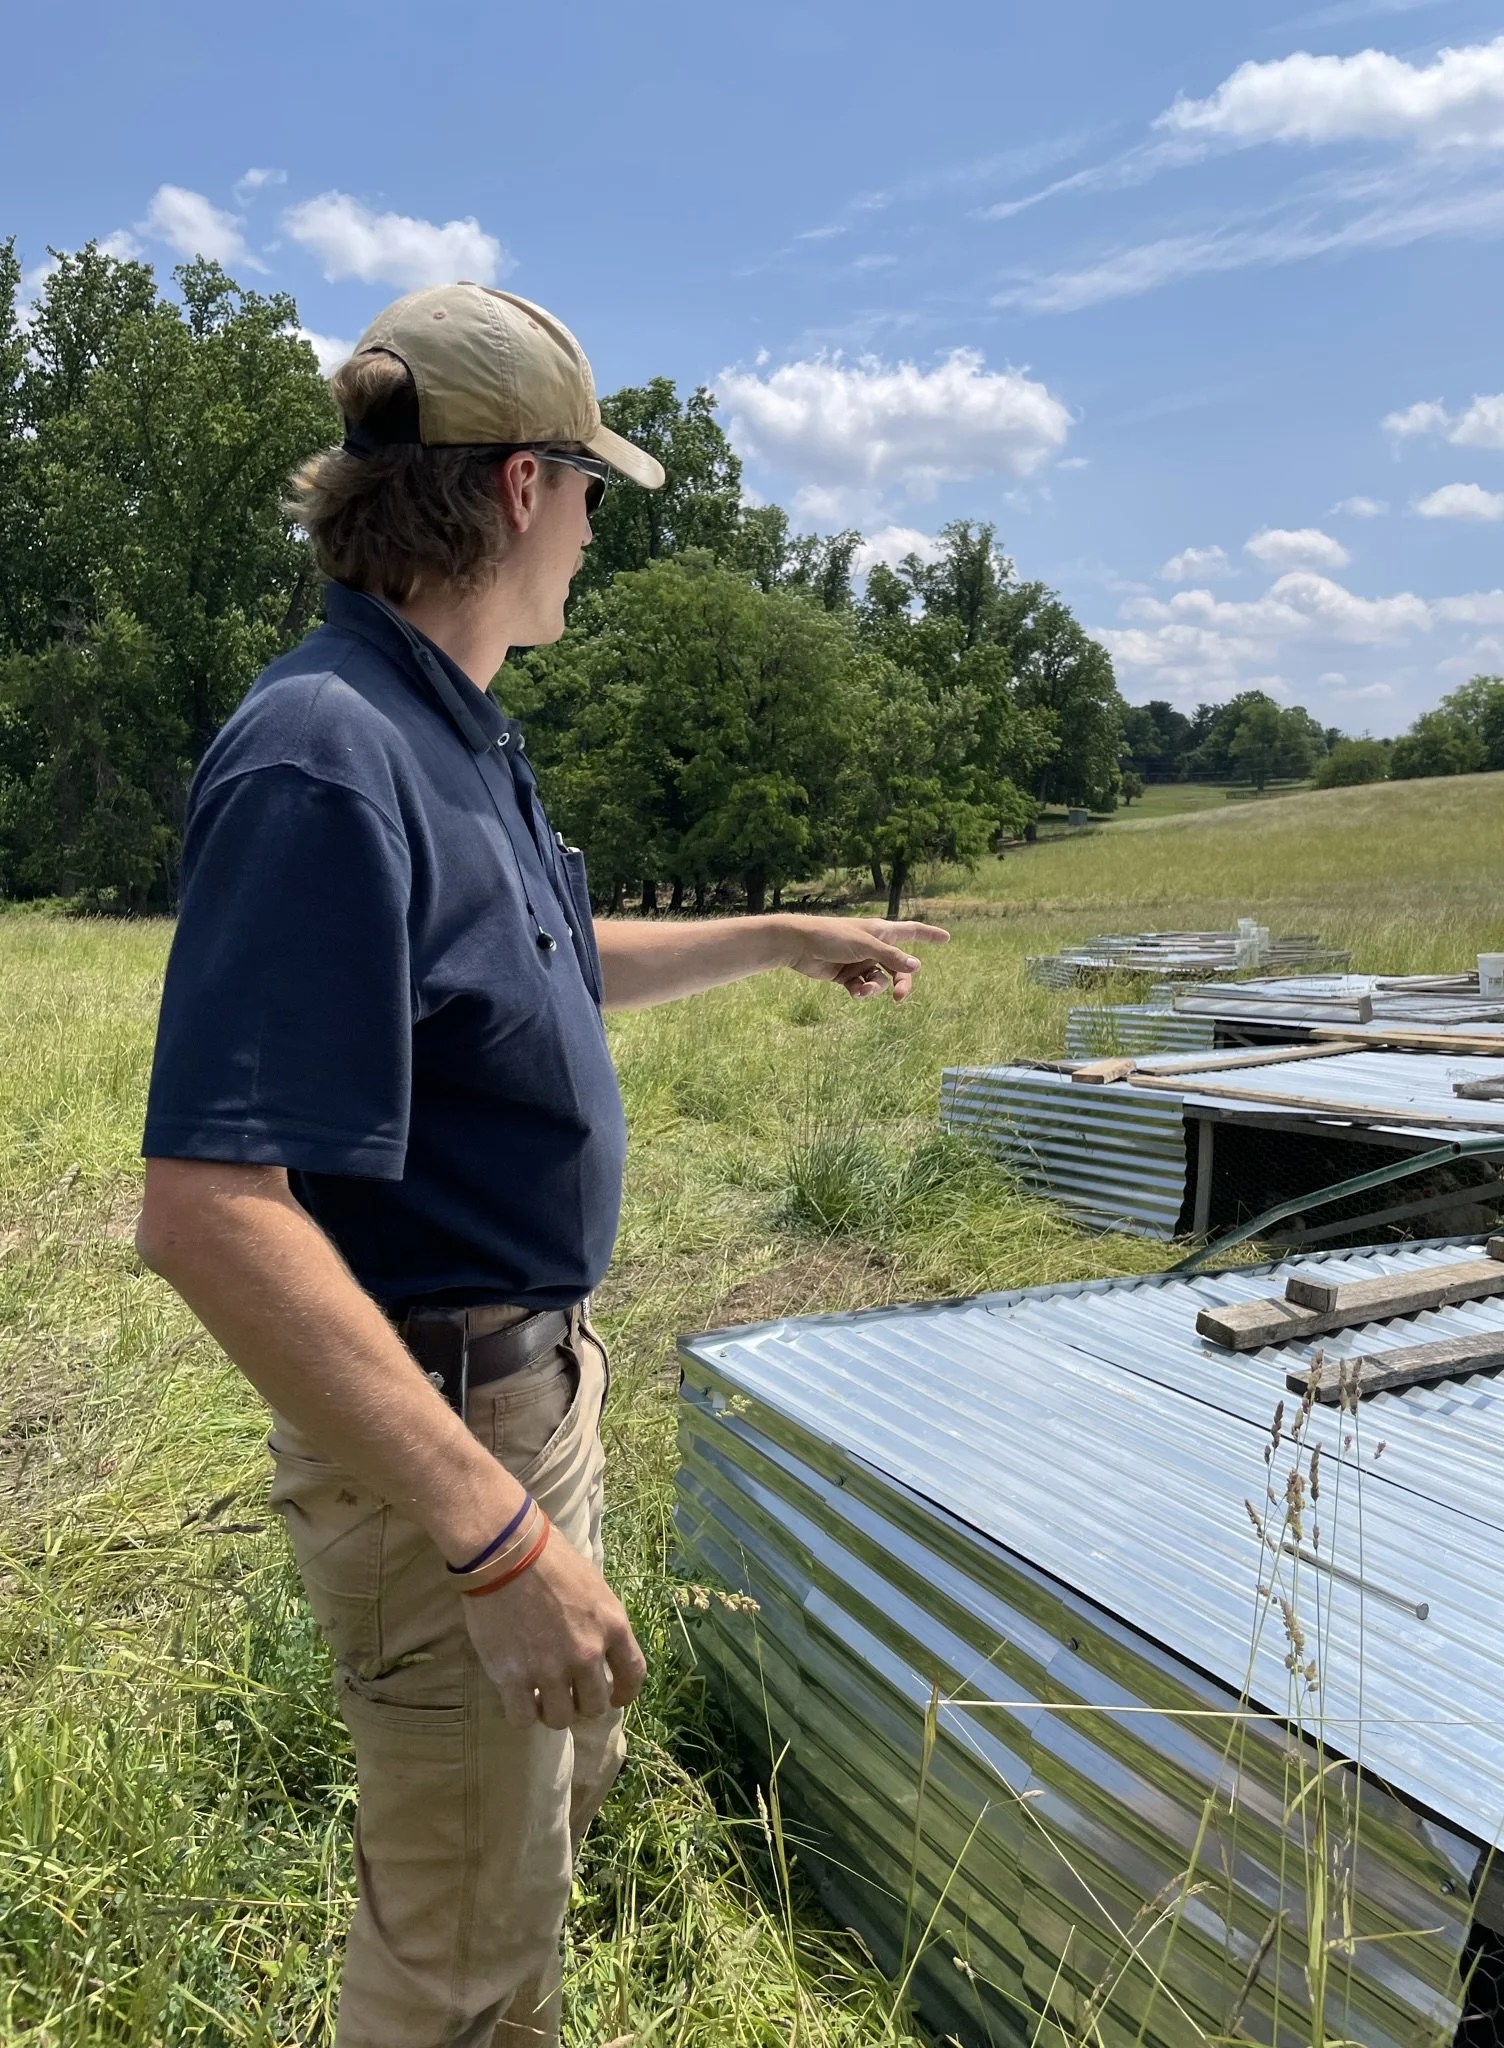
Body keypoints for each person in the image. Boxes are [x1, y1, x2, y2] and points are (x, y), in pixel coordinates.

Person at [135, 281, 948, 2048]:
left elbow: (554, 967)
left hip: (523, 1391)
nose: (595, 534)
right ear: (519, 490)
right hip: (446, 1441)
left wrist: (779, 934)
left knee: (526, 1854)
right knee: (458, 1959)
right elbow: (209, 1213)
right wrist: (499, 1545)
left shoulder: (454, 727)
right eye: (591, 494)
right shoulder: (326, 757)